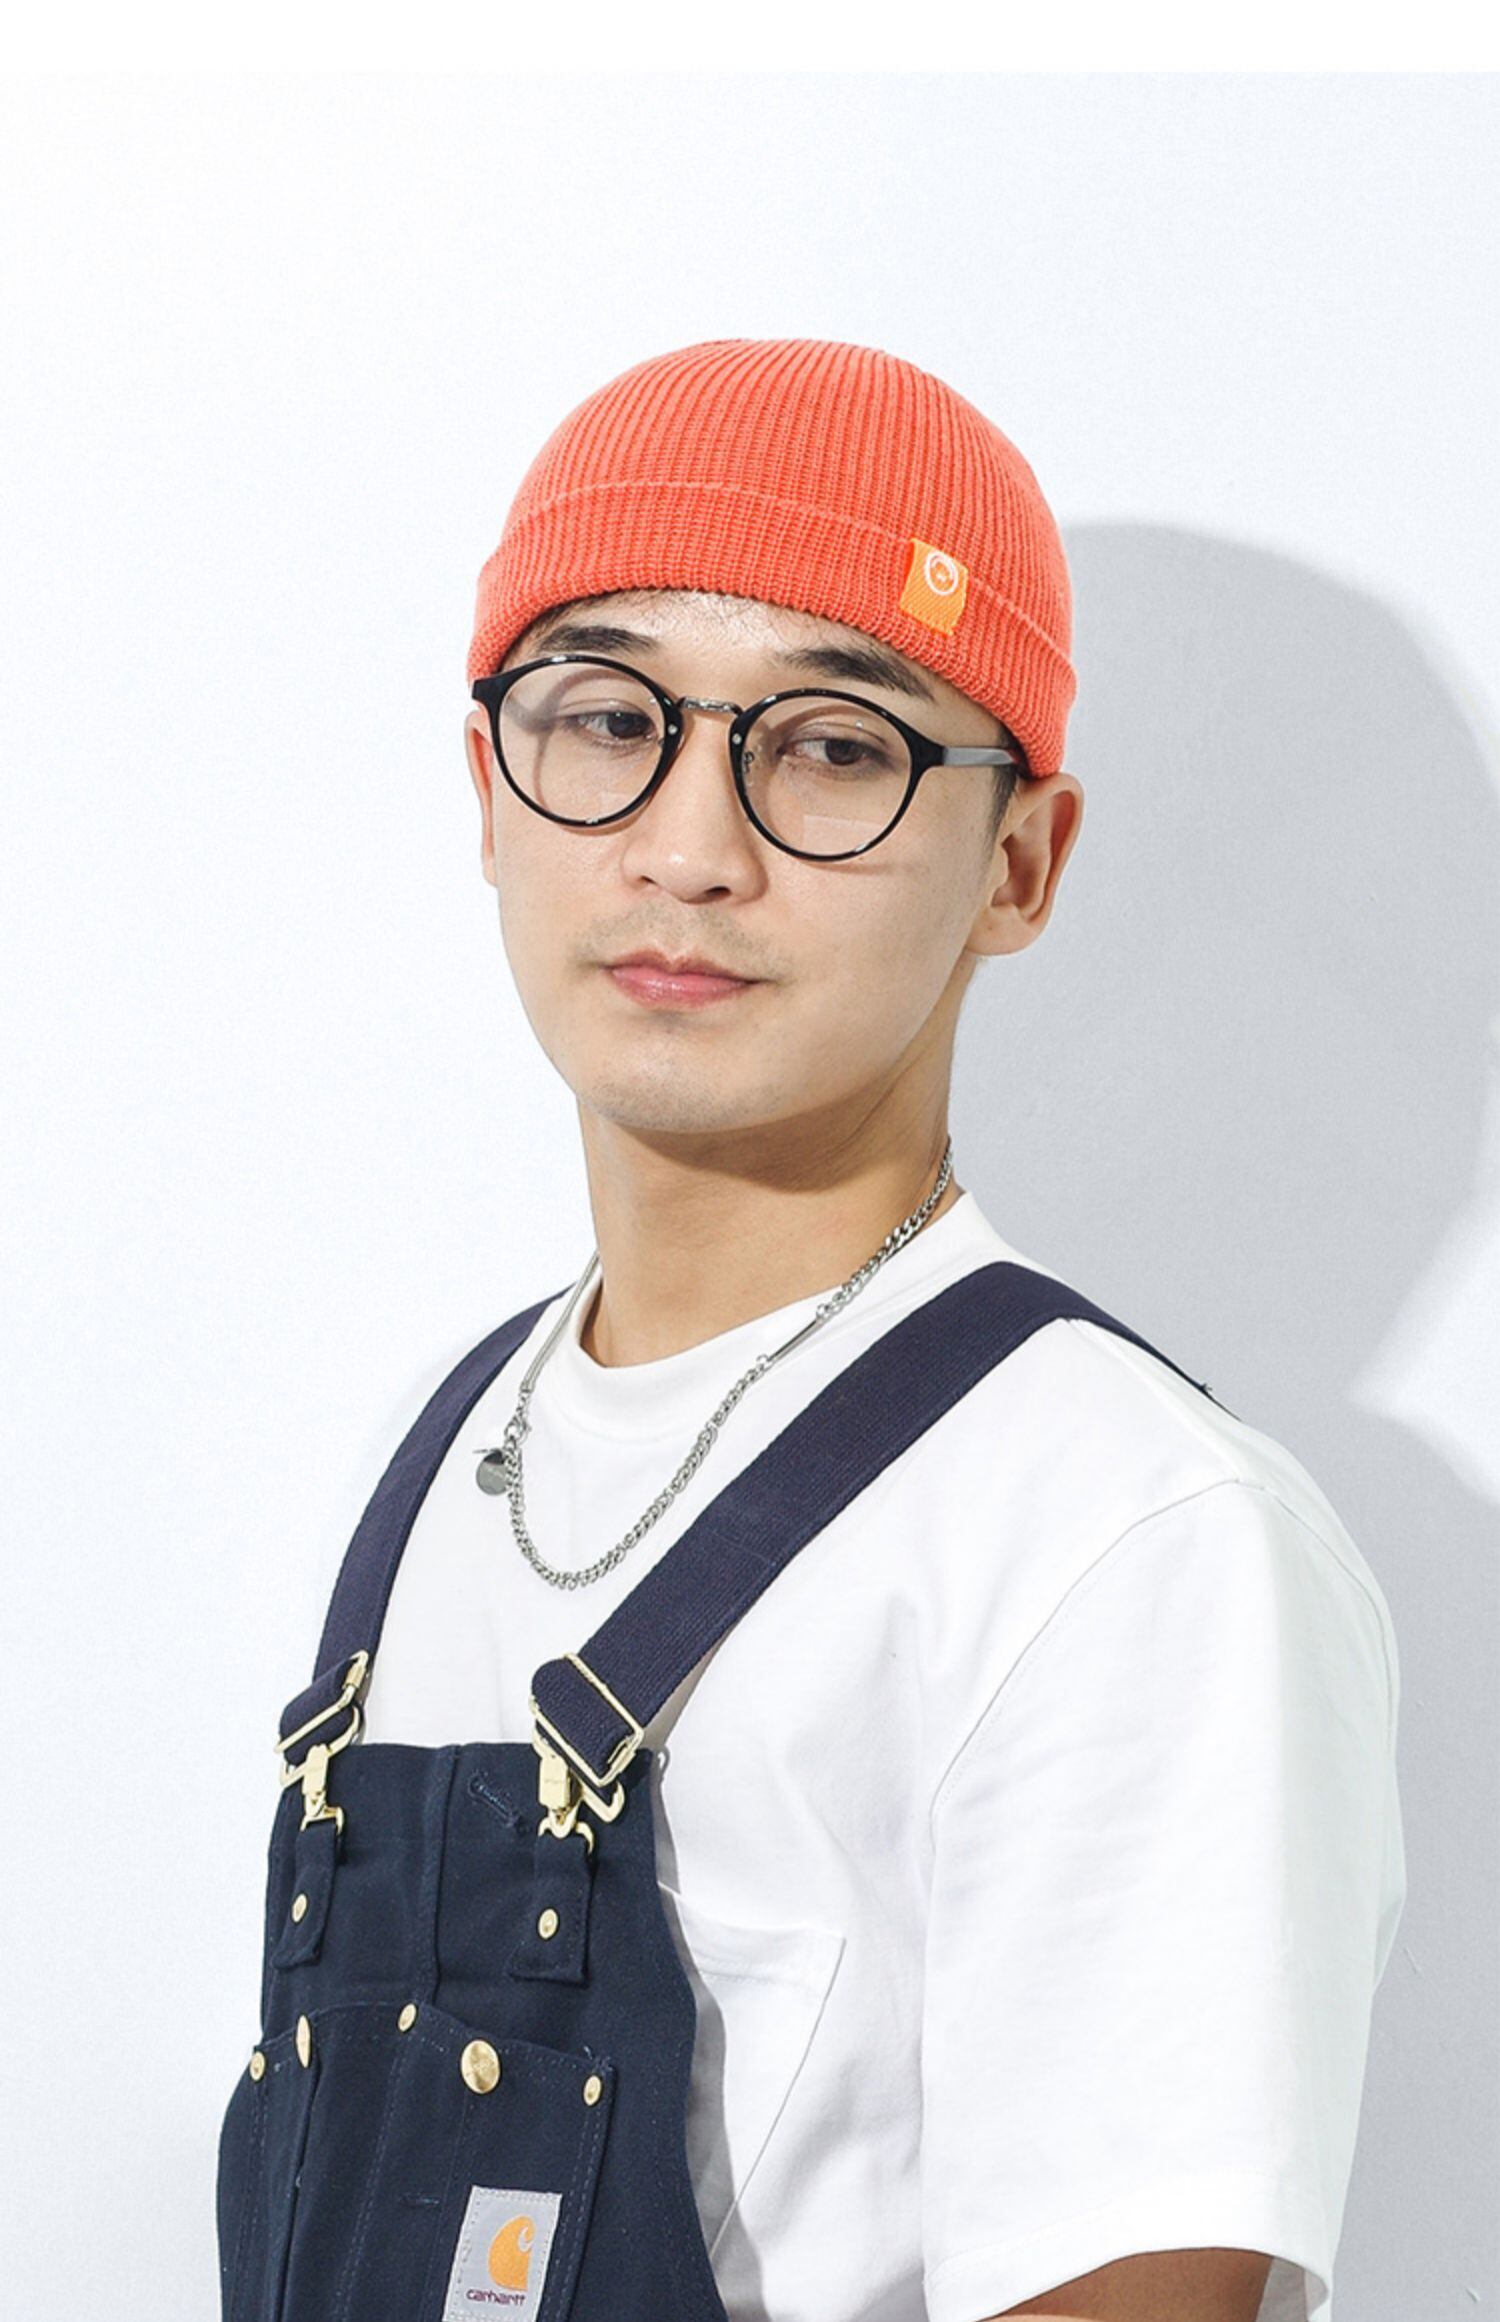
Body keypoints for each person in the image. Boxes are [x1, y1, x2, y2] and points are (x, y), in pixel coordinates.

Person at [229, 338, 1405, 2322]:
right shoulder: (441, 1459)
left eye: (835, 749)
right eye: (606, 719)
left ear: (1020, 862)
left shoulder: (1123, 1539)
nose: (691, 844)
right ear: (489, 792)